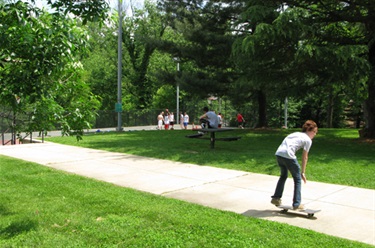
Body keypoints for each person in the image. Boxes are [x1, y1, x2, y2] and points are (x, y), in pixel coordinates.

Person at [271, 120, 318, 210]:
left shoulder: (295, 133)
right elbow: (305, 157)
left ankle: (276, 198)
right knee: (297, 179)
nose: (315, 134)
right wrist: (303, 172)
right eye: (314, 132)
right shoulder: (308, 140)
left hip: (279, 154)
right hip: (288, 156)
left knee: (283, 176)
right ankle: (297, 203)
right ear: (309, 130)